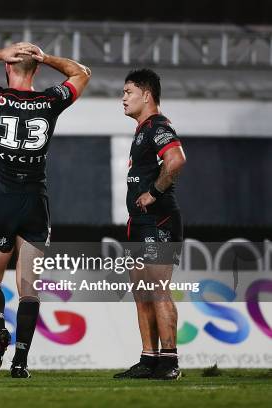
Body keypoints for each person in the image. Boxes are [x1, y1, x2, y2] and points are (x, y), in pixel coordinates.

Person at [0, 42, 90, 378]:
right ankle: (21, 361)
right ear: (36, 70)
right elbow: (82, 73)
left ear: (10, 66)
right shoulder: (50, 101)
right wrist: (47, 58)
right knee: (29, 287)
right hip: (34, 203)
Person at [114, 68, 186, 380]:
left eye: (128, 92)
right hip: (139, 222)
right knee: (142, 292)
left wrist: (153, 193)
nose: (123, 98)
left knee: (157, 290)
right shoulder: (142, 130)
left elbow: (177, 160)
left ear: (146, 94)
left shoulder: (158, 125)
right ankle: (148, 359)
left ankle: (169, 361)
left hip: (158, 220)